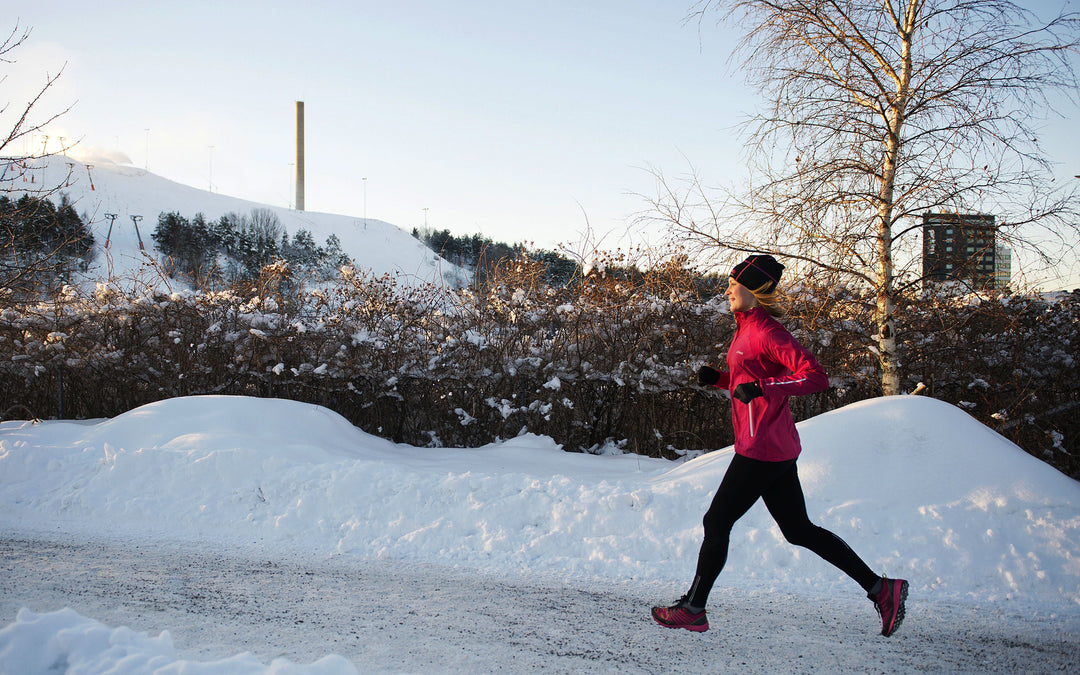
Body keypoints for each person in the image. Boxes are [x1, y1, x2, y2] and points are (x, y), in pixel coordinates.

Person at [651, 254, 908, 637]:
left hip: (763, 447)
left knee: (717, 520)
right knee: (798, 529)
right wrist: (720, 378)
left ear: (752, 290)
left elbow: (816, 377)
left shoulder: (768, 331)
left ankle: (694, 608)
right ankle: (881, 589)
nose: (726, 291)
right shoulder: (745, 327)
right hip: (772, 443)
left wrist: (763, 387)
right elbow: (751, 379)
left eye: (732, 285)